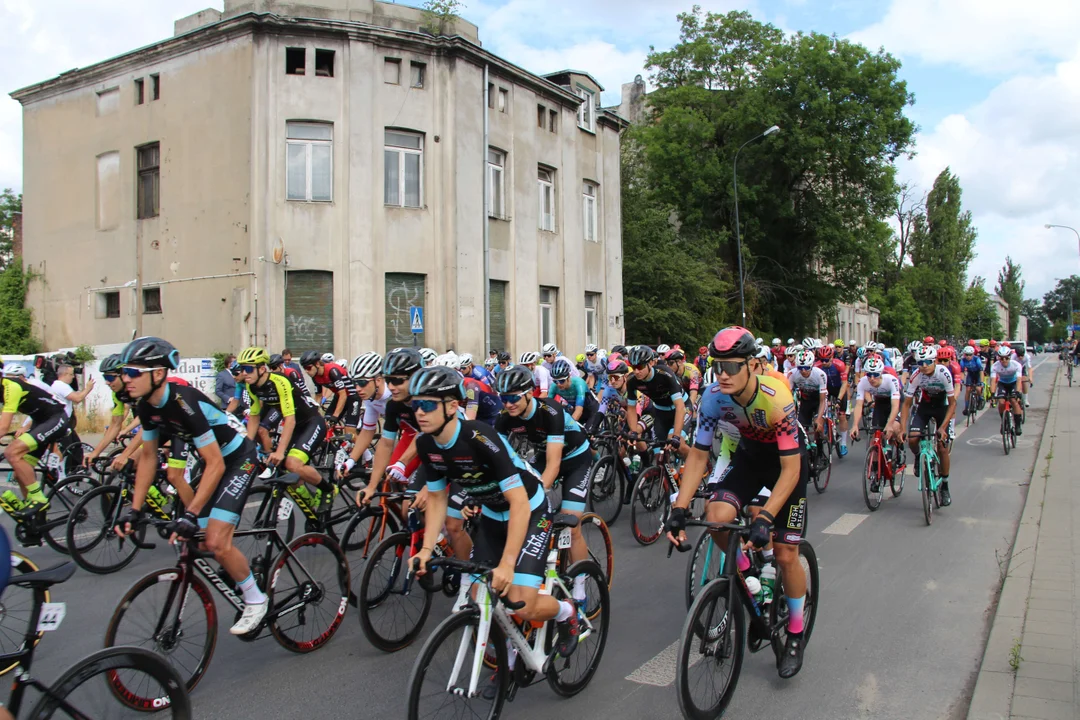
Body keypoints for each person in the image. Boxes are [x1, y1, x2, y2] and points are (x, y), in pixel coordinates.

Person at [409, 366, 582, 659]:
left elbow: (518, 503)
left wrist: (507, 563)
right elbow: (438, 498)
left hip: (530, 508)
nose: (419, 413)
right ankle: (510, 656)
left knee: (522, 603)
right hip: (492, 512)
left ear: (453, 406)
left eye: (427, 404)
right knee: (480, 596)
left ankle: (567, 612)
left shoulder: (480, 436)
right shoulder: (426, 444)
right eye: (415, 405)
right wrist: (426, 549)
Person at [667, 326, 810, 679]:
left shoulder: (776, 397)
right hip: (750, 459)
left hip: (788, 465)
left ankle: (795, 632)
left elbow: (790, 470)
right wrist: (679, 509)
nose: (723, 375)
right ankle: (747, 574)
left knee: (785, 553)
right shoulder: (714, 397)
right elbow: (699, 456)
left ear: (752, 365)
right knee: (716, 516)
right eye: (718, 366)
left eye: (732, 366)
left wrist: (766, 519)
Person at [113, 337, 267, 635]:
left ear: (158, 374)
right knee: (200, 539)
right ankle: (238, 569)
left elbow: (217, 464)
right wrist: (134, 509)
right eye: (123, 372)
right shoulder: (146, 406)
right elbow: (147, 457)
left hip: (237, 459)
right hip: (215, 463)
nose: (125, 379)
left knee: (216, 540)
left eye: (133, 372)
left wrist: (190, 513)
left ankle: (256, 598)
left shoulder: (183, 402)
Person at [495, 366, 593, 604]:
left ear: (530, 393)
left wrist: (535, 497)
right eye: (503, 398)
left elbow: (554, 466)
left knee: (571, 523)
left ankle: (581, 580)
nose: (508, 404)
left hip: (576, 458)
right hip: (543, 454)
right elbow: (499, 460)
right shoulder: (505, 419)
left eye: (513, 398)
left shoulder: (551, 410)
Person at [0, 364, 72, 517]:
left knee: (12, 452)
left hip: (56, 417)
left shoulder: (10, 386)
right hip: (39, 421)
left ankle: (38, 498)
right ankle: (34, 519)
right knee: (20, 472)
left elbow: (3, 428)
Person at [901, 344, 957, 506]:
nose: (924, 366)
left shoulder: (943, 373)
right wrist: (903, 428)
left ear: (935, 361)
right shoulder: (916, 375)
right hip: (924, 407)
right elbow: (906, 404)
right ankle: (919, 456)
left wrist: (942, 427)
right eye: (920, 363)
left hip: (942, 407)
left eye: (928, 362)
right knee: (912, 439)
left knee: (942, 447)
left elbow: (953, 404)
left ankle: (945, 485)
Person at [849, 356, 904, 475]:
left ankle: (898, 447)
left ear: (881, 374)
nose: (872, 378)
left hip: (894, 402)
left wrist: (889, 425)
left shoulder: (891, 380)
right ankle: (875, 472)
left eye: (875, 375)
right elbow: (858, 405)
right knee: (876, 436)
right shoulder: (863, 382)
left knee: (893, 427)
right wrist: (855, 425)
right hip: (880, 403)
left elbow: (895, 406)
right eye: (869, 375)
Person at [303, 352, 362, 435]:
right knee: (326, 425)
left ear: (317, 364)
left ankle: (363, 448)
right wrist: (313, 413)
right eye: (304, 368)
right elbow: (318, 396)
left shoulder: (332, 371)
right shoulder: (315, 377)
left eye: (308, 368)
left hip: (352, 397)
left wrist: (335, 416)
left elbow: (343, 394)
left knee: (349, 431)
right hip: (339, 396)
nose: (306, 371)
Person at [49, 363, 95, 470]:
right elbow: (77, 398)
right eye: (71, 374)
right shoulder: (61, 386)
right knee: (69, 449)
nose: (73, 377)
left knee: (76, 448)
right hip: (62, 423)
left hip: (65, 422)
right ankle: (64, 473)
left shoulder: (57, 385)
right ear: (64, 374)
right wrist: (88, 388)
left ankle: (74, 470)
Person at [547, 358, 598, 426]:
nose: (558, 384)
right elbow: (547, 406)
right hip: (575, 409)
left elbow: (578, 410)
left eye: (562, 381)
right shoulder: (554, 386)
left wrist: (568, 426)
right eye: (555, 381)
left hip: (591, 410)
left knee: (586, 433)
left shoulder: (579, 383)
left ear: (568, 377)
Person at [990, 346, 1025, 436]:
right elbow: (993, 381)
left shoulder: (1016, 365)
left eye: (1006, 358)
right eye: (1001, 358)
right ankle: (1004, 421)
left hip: (1013, 383)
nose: (1004, 360)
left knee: (1013, 400)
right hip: (1002, 383)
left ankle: (1017, 425)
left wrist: (1017, 392)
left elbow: (1018, 379)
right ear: (998, 358)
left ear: (1010, 357)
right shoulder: (995, 366)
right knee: (1001, 402)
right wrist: (993, 394)